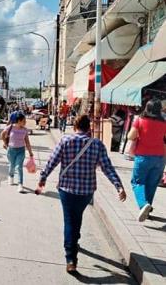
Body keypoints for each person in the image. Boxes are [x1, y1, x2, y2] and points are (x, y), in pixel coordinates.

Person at [36, 115, 126, 274]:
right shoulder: (97, 144)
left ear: (75, 127)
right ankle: (74, 241)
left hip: (67, 189)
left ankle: (71, 258)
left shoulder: (65, 141)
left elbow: (52, 161)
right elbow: (107, 167)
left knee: (70, 220)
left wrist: (43, 177)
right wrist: (118, 186)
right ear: (89, 128)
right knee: (76, 217)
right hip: (86, 191)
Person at [127, 99, 166, 221]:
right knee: (151, 185)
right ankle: (147, 211)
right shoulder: (164, 123)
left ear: (147, 108)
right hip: (160, 158)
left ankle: (143, 205)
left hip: (143, 157)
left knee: (137, 182)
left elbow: (130, 136)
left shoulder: (139, 120)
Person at [0, 112, 34, 193]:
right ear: (18, 121)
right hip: (11, 150)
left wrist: (30, 152)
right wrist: (5, 143)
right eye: (24, 121)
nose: (25, 122)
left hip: (21, 150)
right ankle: (11, 176)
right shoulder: (10, 127)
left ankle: (20, 184)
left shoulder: (25, 130)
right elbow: (2, 134)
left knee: (19, 167)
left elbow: (27, 142)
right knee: (12, 165)